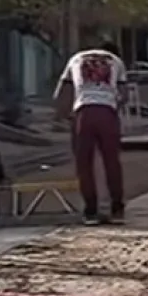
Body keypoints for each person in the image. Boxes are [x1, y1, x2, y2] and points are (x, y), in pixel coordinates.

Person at [53, 42, 128, 225]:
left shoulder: (75, 59)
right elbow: (124, 95)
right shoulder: (116, 61)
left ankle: (91, 211)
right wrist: (114, 107)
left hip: (83, 112)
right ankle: (117, 208)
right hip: (107, 112)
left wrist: (65, 116)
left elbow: (59, 93)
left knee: (83, 163)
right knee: (112, 161)